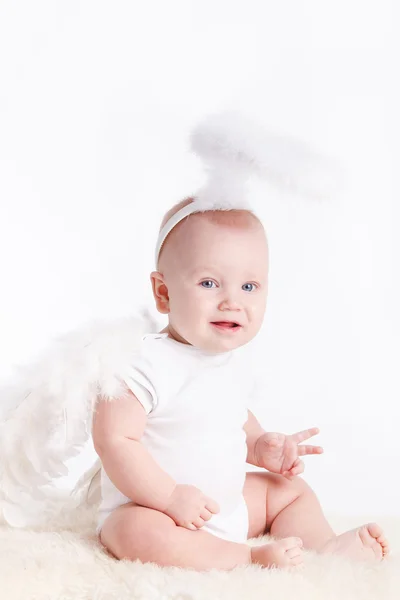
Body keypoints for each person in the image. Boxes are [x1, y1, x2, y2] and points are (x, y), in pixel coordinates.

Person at [92, 196, 389, 571]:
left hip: (226, 509)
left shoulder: (228, 362)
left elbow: (231, 418)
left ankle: (323, 550)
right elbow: (114, 440)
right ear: (163, 293)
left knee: (287, 491)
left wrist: (260, 446)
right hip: (158, 511)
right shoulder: (139, 362)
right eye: (210, 283)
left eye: (249, 287)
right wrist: (168, 498)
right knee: (131, 530)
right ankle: (247, 558)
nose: (232, 301)